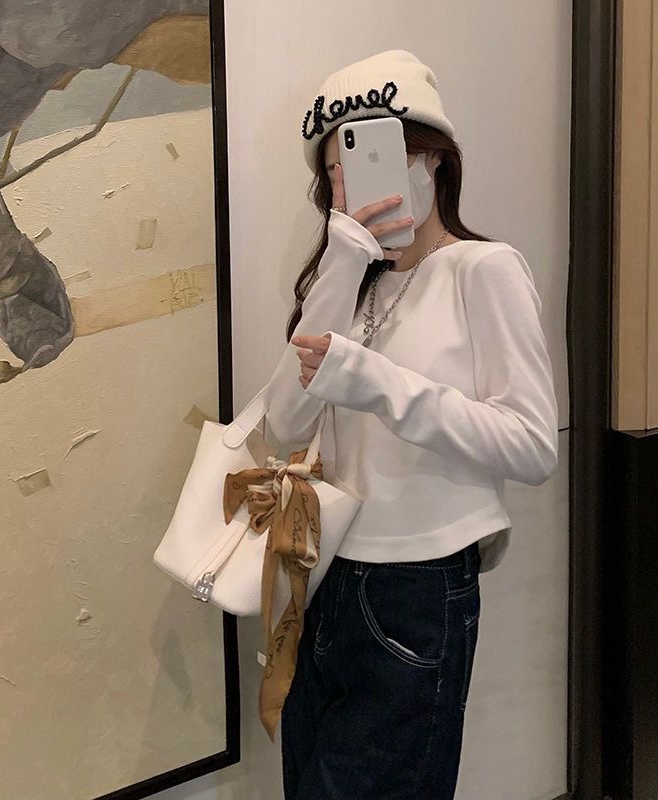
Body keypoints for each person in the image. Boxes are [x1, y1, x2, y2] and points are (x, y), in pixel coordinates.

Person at [263, 49, 559, 798]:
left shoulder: (484, 270)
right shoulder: (354, 286)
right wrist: (342, 261)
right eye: (338, 173)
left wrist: (376, 382)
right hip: (326, 575)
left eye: (381, 157)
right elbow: (283, 423)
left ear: (432, 160)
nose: (358, 185)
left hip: (418, 590)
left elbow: (532, 444)